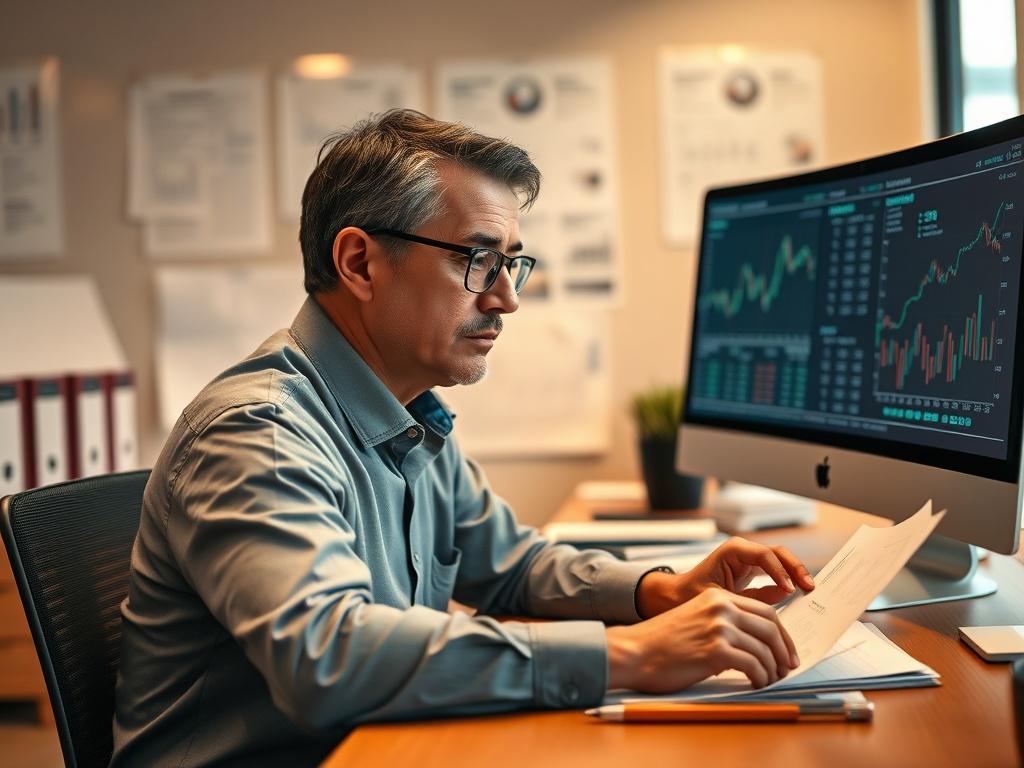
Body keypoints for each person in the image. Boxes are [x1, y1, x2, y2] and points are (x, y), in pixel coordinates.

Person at [110, 109, 815, 767]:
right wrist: (628, 656)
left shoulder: (410, 415)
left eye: (512, 262)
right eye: (477, 259)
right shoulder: (258, 431)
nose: (506, 297)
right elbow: (326, 659)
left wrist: (659, 592)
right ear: (359, 263)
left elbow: (512, 568)